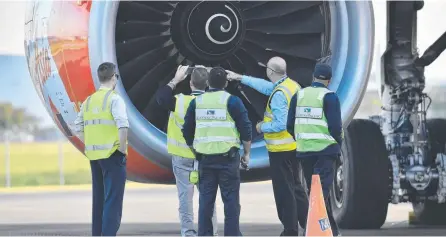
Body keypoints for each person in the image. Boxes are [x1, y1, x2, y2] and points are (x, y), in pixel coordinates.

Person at [226, 57, 308, 235]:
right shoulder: (291, 86)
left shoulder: (279, 95)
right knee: (296, 187)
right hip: (294, 145)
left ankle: (290, 229)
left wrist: (261, 126)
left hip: (281, 149)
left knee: (284, 191)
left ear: (271, 71)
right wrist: (240, 77)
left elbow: (281, 123)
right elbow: (265, 87)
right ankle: (307, 223)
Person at [182, 67, 252, 236]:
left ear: (208, 83)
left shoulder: (197, 102)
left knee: (206, 202)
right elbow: (246, 129)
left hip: (205, 160)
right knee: (231, 203)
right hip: (228, 160)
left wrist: (195, 150)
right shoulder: (232, 101)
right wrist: (247, 154)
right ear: (226, 83)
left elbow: (187, 131)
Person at [154, 65, 218, 237]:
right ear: (207, 84)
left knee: (185, 199)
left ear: (190, 83)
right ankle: (210, 232)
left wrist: (175, 80)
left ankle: (188, 233)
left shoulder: (179, 101)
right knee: (208, 198)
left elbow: (161, 98)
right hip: (206, 158)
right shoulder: (214, 103)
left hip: (182, 157)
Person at [286, 63, 343, 236]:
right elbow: (335, 127)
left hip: (305, 151)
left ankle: (331, 230)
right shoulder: (330, 97)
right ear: (329, 80)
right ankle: (311, 231)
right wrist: (337, 144)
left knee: (315, 192)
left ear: (314, 77)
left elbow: (290, 125)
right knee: (320, 193)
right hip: (325, 151)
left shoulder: (299, 95)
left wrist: (303, 139)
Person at [73, 62, 128, 236]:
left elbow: (78, 127)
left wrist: (89, 143)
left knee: (99, 200)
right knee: (113, 201)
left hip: (94, 155)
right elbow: (123, 126)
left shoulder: (89, 101)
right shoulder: (114, 99)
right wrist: (122, 149)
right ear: (114, 78)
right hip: (112, 155)